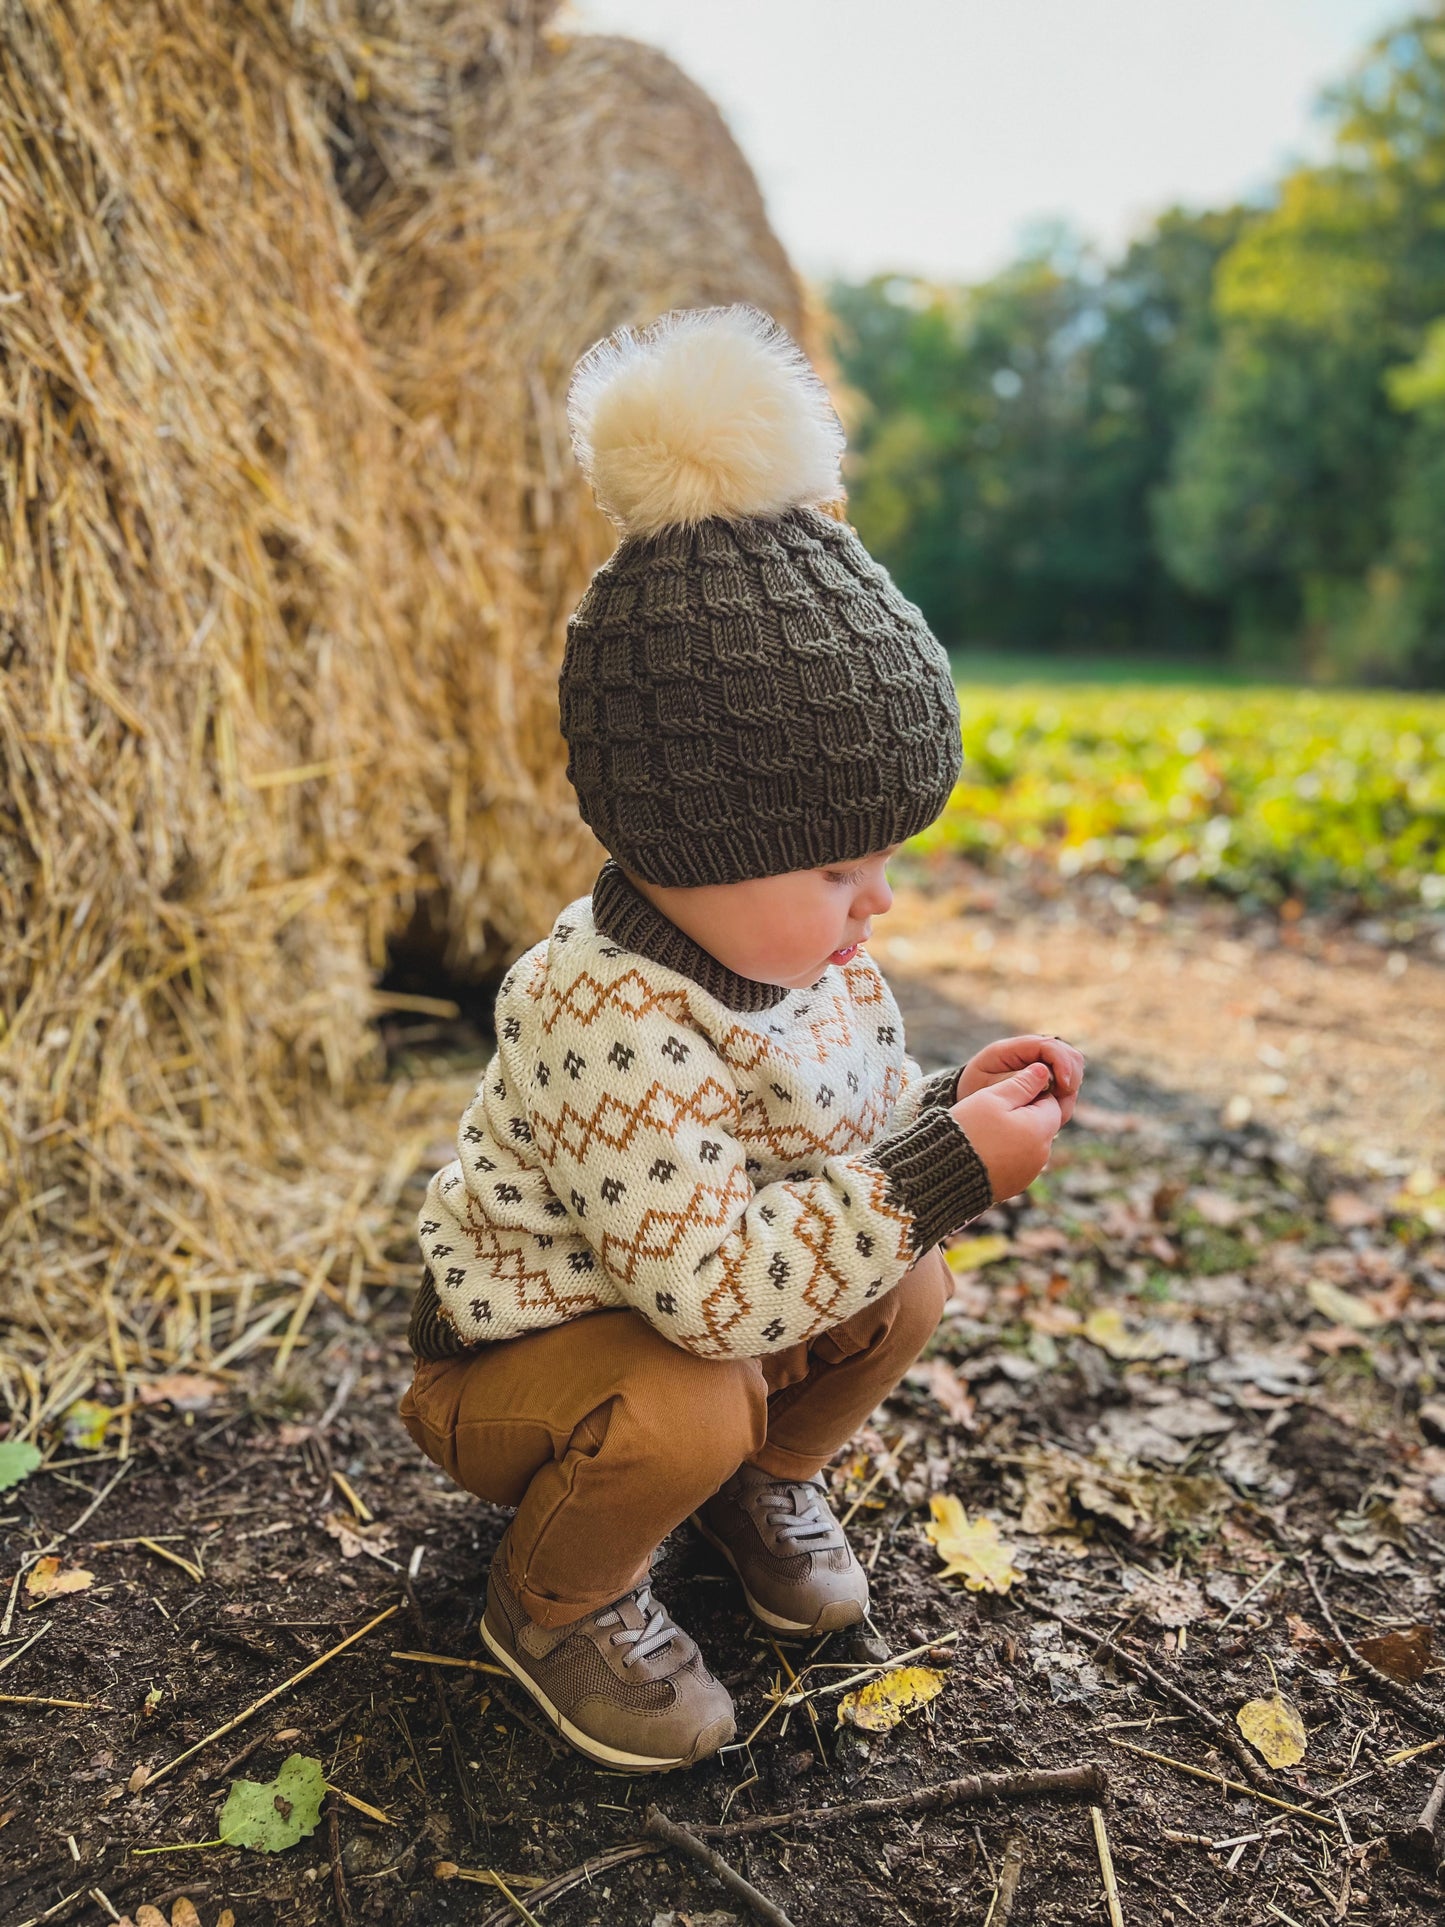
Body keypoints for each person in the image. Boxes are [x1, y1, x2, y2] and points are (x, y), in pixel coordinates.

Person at [399, 305, 1084, 1773]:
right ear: (695, 839)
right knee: (694, 1393)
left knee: (909, 1287)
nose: (876, 900)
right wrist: (938, 1172)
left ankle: (757, 1483)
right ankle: (550, 1602)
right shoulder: (602, 1011)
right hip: (516, 1370)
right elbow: (712, 1298)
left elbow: (843, 1133)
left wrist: (943, 1109)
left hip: (692, 1320)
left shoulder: (801, 960)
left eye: (883, 860)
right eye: (839, 869)